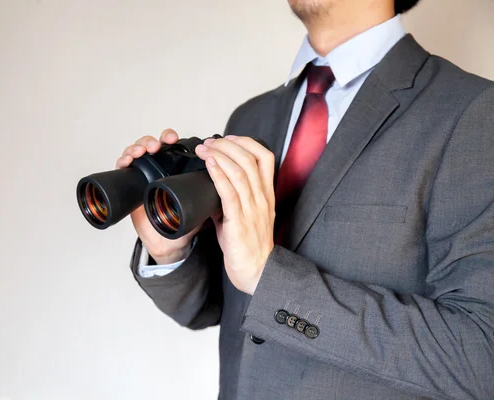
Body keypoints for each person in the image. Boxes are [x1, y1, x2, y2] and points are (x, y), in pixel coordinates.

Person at [116, 0, 494, 398]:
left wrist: (269, 277)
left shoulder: (472, 113)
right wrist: (169, 251)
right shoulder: (251, 118)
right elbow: (214, 307)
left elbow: (481, 356)